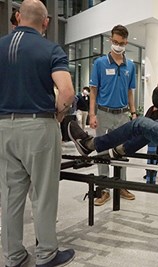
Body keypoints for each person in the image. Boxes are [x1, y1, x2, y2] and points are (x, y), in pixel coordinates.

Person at [0, 0, 76, 266]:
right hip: (38, 126)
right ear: (46, 22)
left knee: (9, 196)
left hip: (3, 128)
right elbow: (66, 93)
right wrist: (57, 113)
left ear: (18, 17)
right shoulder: (50, 49)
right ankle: (46, 254)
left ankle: (13, 256)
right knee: (43, 193)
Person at [89, 24, 137, 206]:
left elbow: (130, 91)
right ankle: (103, 189)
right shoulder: (100, 63)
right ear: (111, 40)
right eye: (115, 42)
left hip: (123, 114)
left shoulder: (130, 66)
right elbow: (93, 91)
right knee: (102, 151)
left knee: (122, 151)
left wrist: (133, 113)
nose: (118, 45)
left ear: (126, 42)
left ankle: (120, 186)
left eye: (122, 43)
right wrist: (92, 114)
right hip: (103, 112)